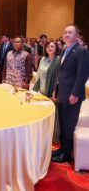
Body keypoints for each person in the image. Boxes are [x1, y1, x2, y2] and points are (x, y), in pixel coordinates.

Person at [52, 25, 89, 163]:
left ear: (77, 36)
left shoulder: (81, 51)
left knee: (68, 124)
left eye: (70, 32)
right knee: (62, 123)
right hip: (62, 93)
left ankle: (66, 154)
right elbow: (61, 73)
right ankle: (62, 149)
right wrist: (55, 89)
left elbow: (83, 74)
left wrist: (75, 93)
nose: (66, 34)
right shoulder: (65, 50)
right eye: (65, 32)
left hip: (72, 95)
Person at [33, 41, 61, 142]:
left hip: (52, 92)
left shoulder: (58, 60)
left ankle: (51, 137)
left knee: (51, 115)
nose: (50, 48)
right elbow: (39, 75)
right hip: (42, 90)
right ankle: (42, 135)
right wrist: (34, 90)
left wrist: (54, 92)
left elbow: (58, 78)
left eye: (52, 46)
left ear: (56, 49)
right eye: (48, 46)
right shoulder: (43, 59)